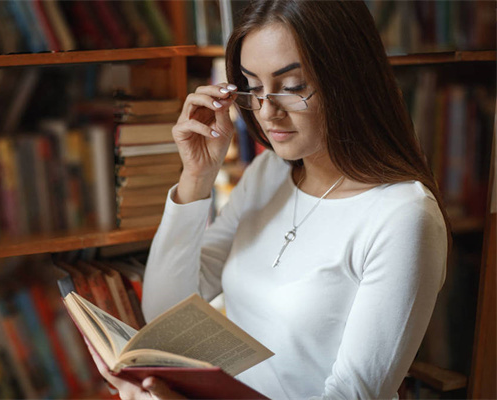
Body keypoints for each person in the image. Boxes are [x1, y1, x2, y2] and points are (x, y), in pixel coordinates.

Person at [93, 0, 450, 398]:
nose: (266, 112)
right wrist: (196, 178)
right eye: (252, 87)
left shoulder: (402, 216)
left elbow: (353, 394)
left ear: (351, 78)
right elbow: (163, 315)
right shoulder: (268, 174)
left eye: (292, 87)